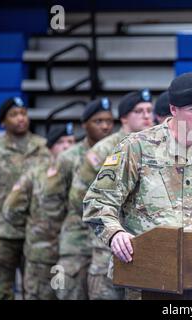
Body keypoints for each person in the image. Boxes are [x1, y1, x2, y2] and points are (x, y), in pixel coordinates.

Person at [82, 72, 192, 299]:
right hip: (147, 275)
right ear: (173, 110)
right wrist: (115, 234)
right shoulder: (138, 147)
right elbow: (97, 201)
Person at [64, 89, 154, 300]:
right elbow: (79, 198)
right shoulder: (103, 149)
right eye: (139, 111)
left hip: (143, 244)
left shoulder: (155, 146)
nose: (146, 116)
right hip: (108, 246)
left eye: (149, 110)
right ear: (124, 118)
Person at [0, 97, 50, 299]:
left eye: (23, 113)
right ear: (3, 121)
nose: (21, 118)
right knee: (0, 291)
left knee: (36, 291)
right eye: (14, 115)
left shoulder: (42, 148)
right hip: (2, 233)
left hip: (35, 231)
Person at [2, 123, 76, 300]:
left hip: (74, 255)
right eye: (61, 142)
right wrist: (34, 228)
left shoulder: (82, 172)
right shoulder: (36, 174)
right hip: (41, 255)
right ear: (50, 148)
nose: (67, 147)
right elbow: (10, 209)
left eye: (71, 142)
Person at [53, 98, 114, 300]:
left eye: (108, 121)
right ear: (84, 124)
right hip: (76, 243)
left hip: (105, 244)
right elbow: (53, 201)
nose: (105, 126)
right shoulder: (68, 157)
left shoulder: (119, 151)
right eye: (98, 121)